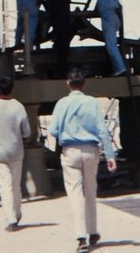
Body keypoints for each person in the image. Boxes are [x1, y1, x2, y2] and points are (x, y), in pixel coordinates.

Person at [49, 67, 117, 252]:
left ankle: (81, 238)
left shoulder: (61, 103)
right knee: (90, 190)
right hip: (90, 150)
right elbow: (102, 130)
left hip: (70, 151)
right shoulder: (92, 103)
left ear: (67, 83)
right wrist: (110, 155)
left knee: (76, 194)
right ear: (84, 83)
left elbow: (53, 130)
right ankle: (93, 231)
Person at [0, 77, 31, 231]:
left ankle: (10, 219)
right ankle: (16, 213)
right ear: (12, 89)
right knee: (16, 185)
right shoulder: (19, 107)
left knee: (5, 186)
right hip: (16, 151)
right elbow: (27, 132)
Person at [90, 0, 126, 76]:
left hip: (109, 17)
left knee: (111, 45)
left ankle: (120, 68)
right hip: (114, 17)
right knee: (112, 43)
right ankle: (119, 67)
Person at [41, 0, 73, 77]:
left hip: (55, 15)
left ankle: (60, 71)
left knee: (61, 44)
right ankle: (61, 71)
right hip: (62, 16)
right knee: (63, 46)